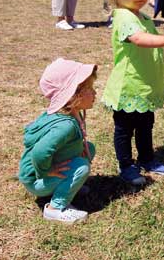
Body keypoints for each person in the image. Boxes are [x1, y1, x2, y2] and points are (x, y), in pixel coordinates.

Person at [102, 0, 164, 186]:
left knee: (146, 125)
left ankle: (148, 159)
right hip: (129, 85)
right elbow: (139, 39)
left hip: (144, 84)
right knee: (125, 129)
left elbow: (148, 33)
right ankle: (126, 165)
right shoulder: (124, 16)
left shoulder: (142, 16)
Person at [18, 58, 97, 224]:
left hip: (42, 175)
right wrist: (46, 171)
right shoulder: (64, 126)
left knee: (88, 148)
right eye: (90, 88)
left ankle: (68, 185)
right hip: (36, 181)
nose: (95, 93)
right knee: (82, 167)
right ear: (74, 95)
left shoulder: (70, 113)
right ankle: (55, 208)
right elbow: (40, 152)